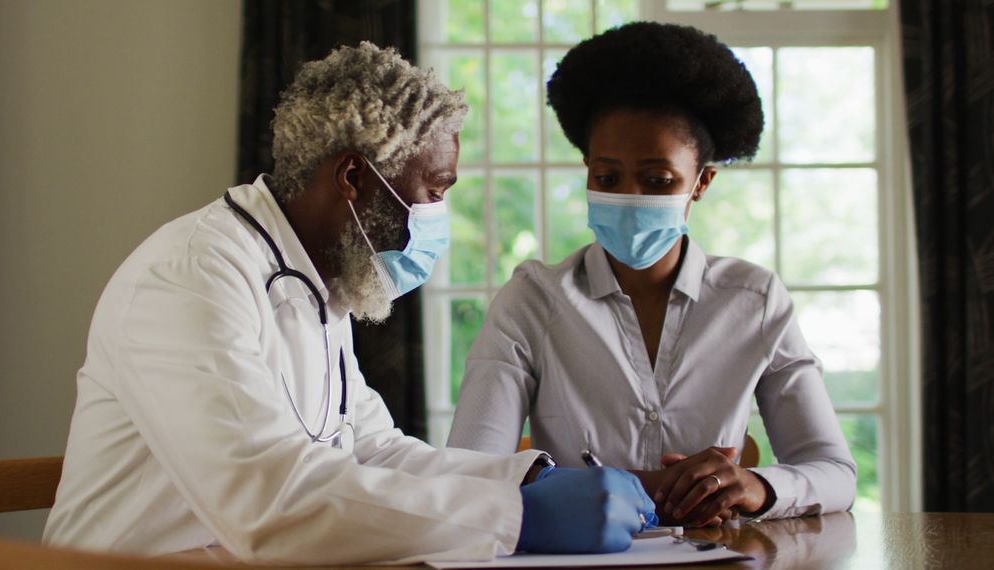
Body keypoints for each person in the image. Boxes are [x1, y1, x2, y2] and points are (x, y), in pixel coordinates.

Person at [42, 42, 655, 565]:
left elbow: (372, 449)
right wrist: (517, 517)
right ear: (354, 178)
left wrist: (526, 479)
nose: (440, 216)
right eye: (434, 190)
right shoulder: (190, 277)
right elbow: (263, 501)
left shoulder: (317, 285)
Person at [446, 22, 857, 528]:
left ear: (701, 182)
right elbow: (469, 470)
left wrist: (756, 485)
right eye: (607, 177)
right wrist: (639, 485)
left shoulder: (755, 300)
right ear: (586, 169)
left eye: (659, 180)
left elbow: (834, 470)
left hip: (719, 556)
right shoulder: (532, 301)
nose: (630, 195)